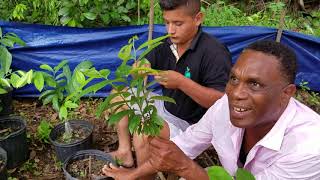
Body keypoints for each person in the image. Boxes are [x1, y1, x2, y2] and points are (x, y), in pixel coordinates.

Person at [102, 40, 320, 180]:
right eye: (234, 78)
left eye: (254, 84)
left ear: (286, 93)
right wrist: (134, 175)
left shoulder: (309, 147)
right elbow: (185, 145)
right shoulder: (224, 107)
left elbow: (184, 162)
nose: (236, 93)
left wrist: (188, 169)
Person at [109, 0, 231, 174]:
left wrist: (181, 82)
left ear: (198, 19)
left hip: (192, 126)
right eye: (167, 22)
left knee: (142, 132)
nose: (170, 30)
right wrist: (140, 67)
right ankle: (124, 151)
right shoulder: (168, 44)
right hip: (166, 108)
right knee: (117, 94)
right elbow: (146, 60)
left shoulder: (214, 52)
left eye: (178, 23)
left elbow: (222, 102)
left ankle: (142, 178)